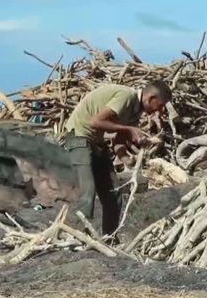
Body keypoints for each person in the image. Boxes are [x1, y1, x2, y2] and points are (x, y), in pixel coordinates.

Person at [64, 82, 171, 234]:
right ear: (151, 97)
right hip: (79, 137)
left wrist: (127, 159)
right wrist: (129, 129)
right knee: (88, 191)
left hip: (96, 142)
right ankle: (78, 237)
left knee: (113, 194)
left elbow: (118, 141)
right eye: (160, 105)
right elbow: (95, 122)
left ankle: (110, 238)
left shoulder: (135, 112)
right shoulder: (126, 96)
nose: (160, 110)